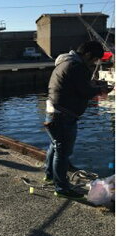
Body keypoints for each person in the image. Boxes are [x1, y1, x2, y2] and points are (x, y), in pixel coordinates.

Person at [43, 41, 113, 199]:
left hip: (53, 112)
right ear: (88, 54)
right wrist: (101, 89)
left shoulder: (66, 62)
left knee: (55, 147)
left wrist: (94, 85)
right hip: (63, 115)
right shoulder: (76, 66)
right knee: (62, 152)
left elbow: (76, 86)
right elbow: (85, 91)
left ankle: (49, 175)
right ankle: (61, 188)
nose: (94, 63)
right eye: (94, 59)